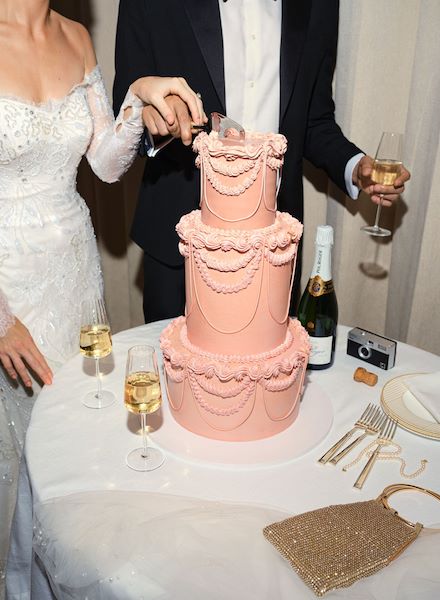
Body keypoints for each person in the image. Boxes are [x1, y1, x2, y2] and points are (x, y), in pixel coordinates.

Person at [0, 0, 204, 588]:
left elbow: (106, 166)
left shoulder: (76, 36)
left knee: (73, 440)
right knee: (18, 455)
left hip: (75, 275)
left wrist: (136, 98)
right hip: (9, 288)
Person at [113, 0, 410, 324]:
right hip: (179, 242)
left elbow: (313, 120)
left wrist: (355, 166)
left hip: (273, 247)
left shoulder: (319, 5)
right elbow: (126, 111)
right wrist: (155, 118)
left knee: (272, 355)